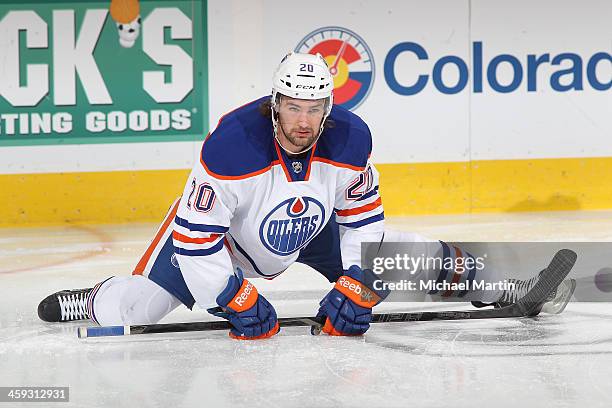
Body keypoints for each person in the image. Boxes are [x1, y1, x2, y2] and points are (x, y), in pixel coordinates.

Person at [37, 52, 575, 339]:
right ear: (276, 103)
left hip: (312, 231)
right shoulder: (229, 147)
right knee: (139, 309)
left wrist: (359, 281)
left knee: (402, 256)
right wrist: (232, 295)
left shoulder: (351, 138)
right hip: (224, 244)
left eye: (313, 109)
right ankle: (99, 293)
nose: (302, 121)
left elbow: (364, 224)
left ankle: (507, 286)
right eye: (292, 107)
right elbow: (197, 242)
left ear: (327, 108)